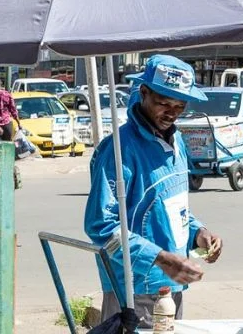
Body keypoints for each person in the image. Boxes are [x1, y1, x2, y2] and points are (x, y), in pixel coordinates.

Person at [84, 55, 223, 329]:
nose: (171, 112)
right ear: (143, 93)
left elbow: (165, 206)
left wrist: (198, 232)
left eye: (179, 105)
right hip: (133, 290)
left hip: (172, 285)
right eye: (163, 103)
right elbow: (100, 227)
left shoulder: (177, 141)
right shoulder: (119, 151)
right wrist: (161, 259)